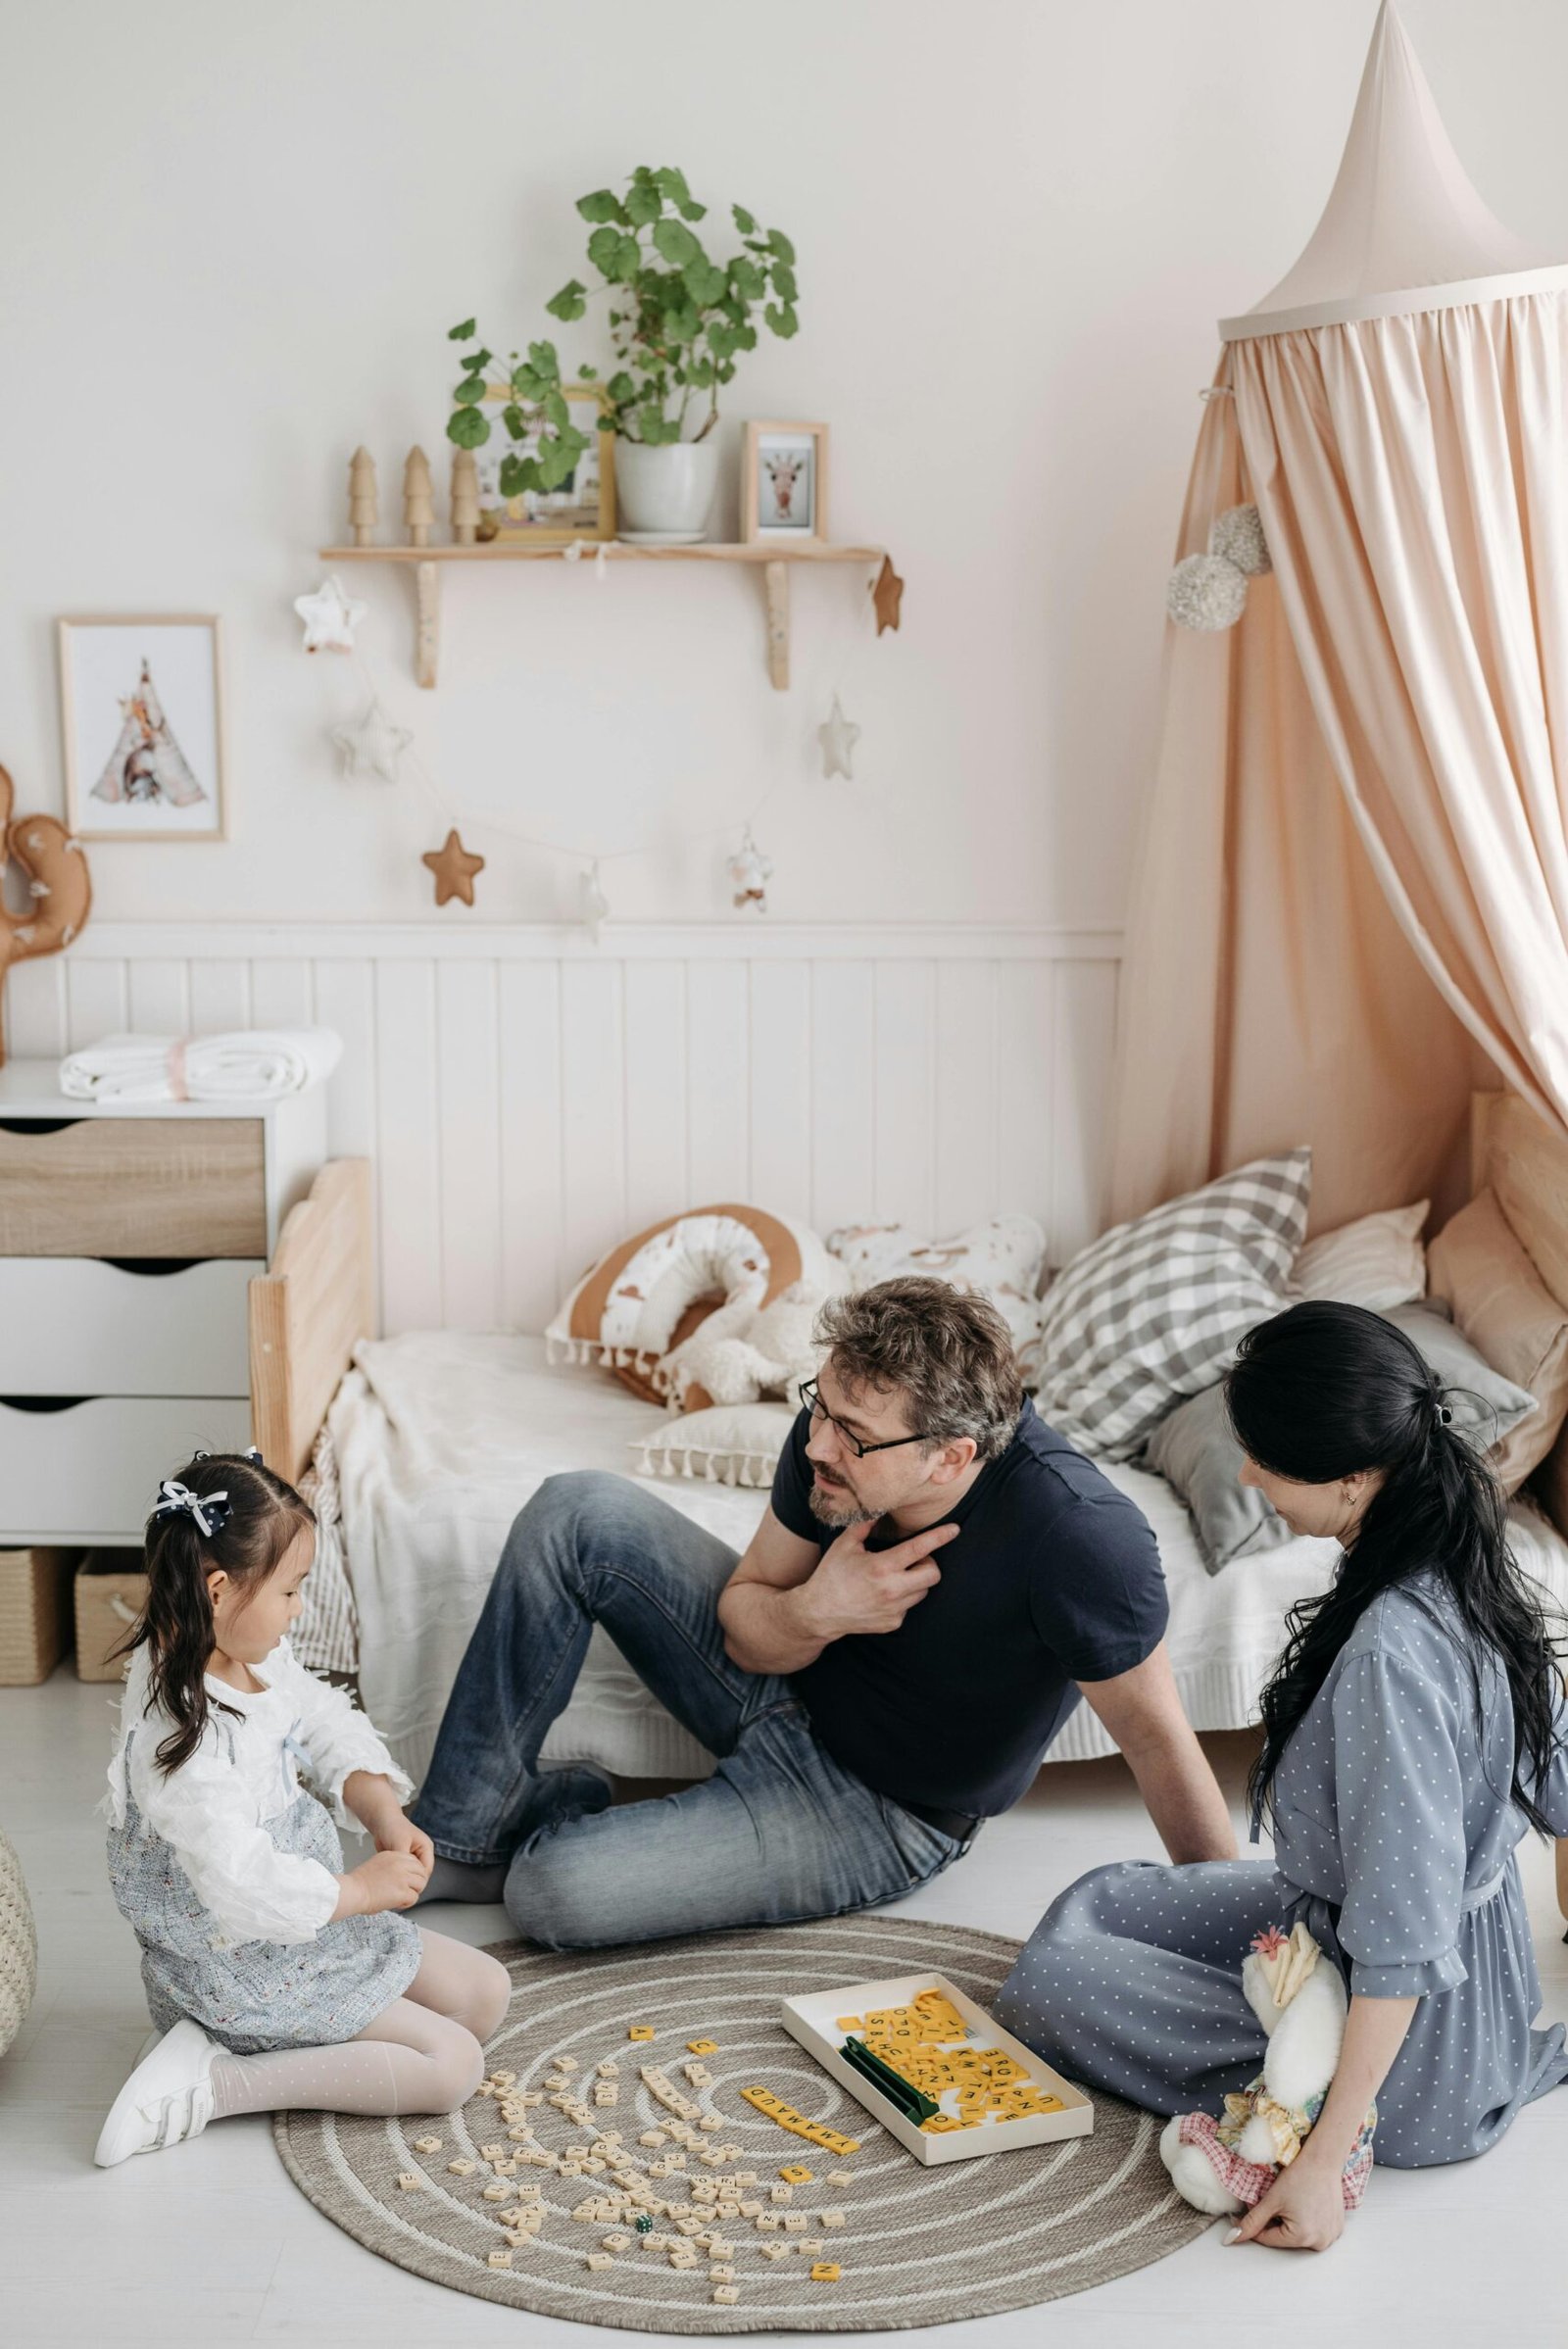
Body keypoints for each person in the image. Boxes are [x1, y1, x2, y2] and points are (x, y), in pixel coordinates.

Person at [411, 1279, 1238, 1944]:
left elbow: (1159, 1743)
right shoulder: (833, 1441)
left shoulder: (1082, 1540)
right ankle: (460, 1838)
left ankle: (556, 1817)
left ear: (951, 1455)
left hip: (876, 1809)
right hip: (782, 1679)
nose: (816, 1445)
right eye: (821, 1408)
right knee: (576, 1510)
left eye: (851, 1433)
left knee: (550, 1894)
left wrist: (1236, 1938)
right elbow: (744, 1626)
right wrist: (820, 1608)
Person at [994, 1300, 1568, 2251]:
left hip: (1415, 2058)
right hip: (1402, 1950)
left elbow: (1403, 1937)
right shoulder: (1459, 1544)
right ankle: (1309, 2067)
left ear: (1351, 1477)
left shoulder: (1394, 1652)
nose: (1248, 1474)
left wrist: (1317, 2165)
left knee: (1054, 1982)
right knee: (1106, 1898)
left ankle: (1312, 2115)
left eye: (1264, 1457)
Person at [94, 1451, 511, 2167]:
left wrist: (380, 1808)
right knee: (452, 2065)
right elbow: (242, 1883)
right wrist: (358, 1890)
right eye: (292, 1590)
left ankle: (219, 2047)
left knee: (485, 1994)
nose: (299, 1608)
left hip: (303, 1931)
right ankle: (217, 2083)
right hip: (234, 1963)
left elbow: (317, 1714)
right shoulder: (179, 1737)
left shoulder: (241, 1649)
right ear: (220, 1589)